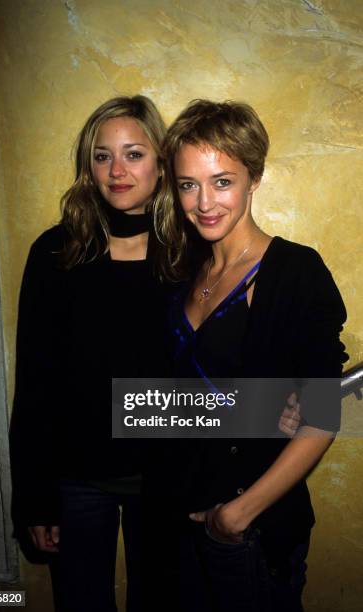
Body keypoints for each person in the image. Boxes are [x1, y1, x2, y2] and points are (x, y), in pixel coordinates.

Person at [153, 99, 347, 612]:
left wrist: (236, 517)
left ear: (253, 178)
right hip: (179, 524)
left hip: (249, 533)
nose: (203, 202)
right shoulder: (184, 268)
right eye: (188, 184)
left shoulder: (292, 272)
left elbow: (323, 415)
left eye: (222, 181)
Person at [9, 95, 170, 612]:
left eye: (134, 154)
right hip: (76, 479)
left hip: (169, 477)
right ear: (88, 166)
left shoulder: (191, 251)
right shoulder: (57, 251)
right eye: (102, 156)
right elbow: (36, 382)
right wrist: (33, 497)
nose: (117, 170)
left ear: (162, 162)